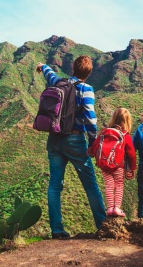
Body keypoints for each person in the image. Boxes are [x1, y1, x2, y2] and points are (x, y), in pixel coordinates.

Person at [36, 56, 106, 239]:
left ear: (73, 69)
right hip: (75, 140)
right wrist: (92, 143)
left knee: (54, 186)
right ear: (89, 73)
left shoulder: (60, 82)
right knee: (90, 185)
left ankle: (57, 230)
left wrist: (42, 66)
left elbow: (49, 73)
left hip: (54, 139)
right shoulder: (86, 89)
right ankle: (102, 225)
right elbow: (90, 118)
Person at [88, 108, 137, 217]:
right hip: (118, 166)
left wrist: (91, 153)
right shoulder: (125, 135)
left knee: (109, 185)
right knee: (119, 184)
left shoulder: (104, 132)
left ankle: (110, 208)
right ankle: (117, 208)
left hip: (104, 165)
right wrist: (132, 168)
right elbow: (131, 153)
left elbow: (95, 146)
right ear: (127, 121)